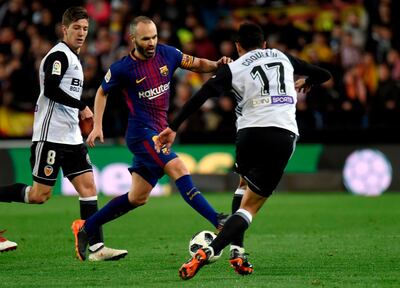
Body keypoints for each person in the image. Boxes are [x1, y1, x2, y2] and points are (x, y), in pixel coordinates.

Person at [155, 22, 332, 280]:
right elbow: (324, 73)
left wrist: (173, 127)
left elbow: (202, 94)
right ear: (264, 45)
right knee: (250, 208)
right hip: (282, 133)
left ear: (238, 47)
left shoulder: (234, 67)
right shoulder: (282, 56)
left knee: (242, 184)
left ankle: (237, 250)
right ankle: (210, 251)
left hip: (248, 135)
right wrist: (307, 80)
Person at [71, 16, 231, 261]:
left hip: (160, 131)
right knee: (178, 167)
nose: (152, 42)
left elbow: (198, 63)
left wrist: (218, 65)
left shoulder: (168, 54)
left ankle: (86, 228)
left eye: (154, 37)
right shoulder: (122, 68)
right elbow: (102, 92)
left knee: (137, 197)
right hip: (141, 133)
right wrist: (97, 126)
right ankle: (219, 220)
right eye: (146, 38)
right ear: (133, 39)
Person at [0, 6, 127, 261]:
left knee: (89, 187)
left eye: (85, 29)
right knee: (39, 196)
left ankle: (96, 248)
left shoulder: (75, 58)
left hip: (71, 138)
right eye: (76, 28)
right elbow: (50, 89)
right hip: (51, 137)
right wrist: (82, 107)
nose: (81, 33)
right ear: (64, 29)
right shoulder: (58, 56)